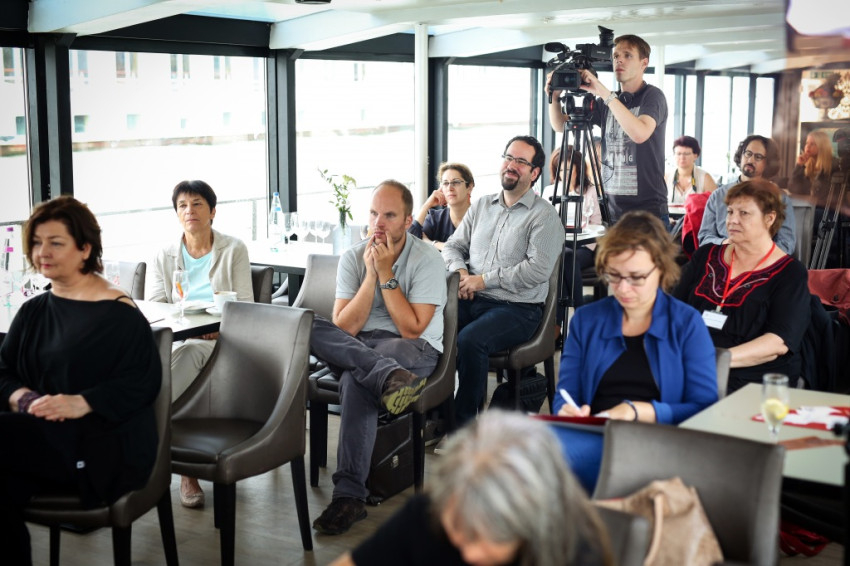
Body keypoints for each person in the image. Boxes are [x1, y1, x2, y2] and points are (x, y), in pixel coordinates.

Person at [0, 196, 161, 566]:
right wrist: (24, 398)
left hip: (100, 446)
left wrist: (82, 402)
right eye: (36, 242)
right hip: (37, 437)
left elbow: (142, 383)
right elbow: (3, 371)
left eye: (56, 243)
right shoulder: (33, 311)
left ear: (85, 248)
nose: (42, 252)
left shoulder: (119, 314)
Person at [310, 180, 446, 535]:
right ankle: (386, 377)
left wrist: (386, 273)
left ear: (407, 221)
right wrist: (370, 275)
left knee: (355, 376)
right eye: (373, 214)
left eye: (389, 215)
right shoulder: (354, 257)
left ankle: (348, 497)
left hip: (413, 349)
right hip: (365, 349)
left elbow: (412, 328)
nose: (378, 224)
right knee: (307, 324)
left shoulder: (428, 259)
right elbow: (344, 327)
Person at [553, 211, 717, 493]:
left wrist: (640, 411)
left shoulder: (686, 324)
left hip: (659, 441)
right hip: (595, 435)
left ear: (661, 270)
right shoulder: (586, 320)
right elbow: (565, 394)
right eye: (614, 276)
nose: (623, 288)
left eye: (637, 278)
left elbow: (705, 408)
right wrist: (566, 410)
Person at [331, 411, 613, 566]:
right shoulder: (429, 514)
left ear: (530, 523)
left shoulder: (578, 553)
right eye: (457, 525)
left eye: (483, 535)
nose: (468, 553)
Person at [442, 135, 565, 427]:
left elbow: (537, 270)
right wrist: (461, 273)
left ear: (534, 173)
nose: (511, 165)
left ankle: (463, 429)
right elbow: (452, 246)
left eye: (521, 161)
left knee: (470, 341)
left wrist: (483, 281)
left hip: (518, 309)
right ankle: (434, 412)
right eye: (508, 157)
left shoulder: (544, 216)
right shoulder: (482, 206)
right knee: (428, 325)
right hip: (471, 298)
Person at [148, 179, 253, 508]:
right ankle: (180, 462)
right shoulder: (164, 254)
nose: (189, 210)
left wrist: (218, 329)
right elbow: (155, 306)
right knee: (174, 355)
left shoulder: (233, 249)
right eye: (182, 205)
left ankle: (171, 460)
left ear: (212, 212)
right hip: (179, 339)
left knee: (188, 353)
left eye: (197, 204)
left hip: (223, 341)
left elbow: (246, 307)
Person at [675, 180, 810, 394]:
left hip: (749, 375)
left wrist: (712, 360)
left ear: (769, 218)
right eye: (730, 212)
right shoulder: (706, 255)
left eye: (744, 213)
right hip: (689, 361)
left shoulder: (790, 273)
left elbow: (777, 343)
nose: (732, 220)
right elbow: (671, 307)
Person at [548, 34, 668, 223]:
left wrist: (603, 92)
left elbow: (640, 133)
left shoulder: (653, 96)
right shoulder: (607, 102)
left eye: (627, 55)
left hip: (648, 214)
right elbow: (561, 126)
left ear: (644, 63)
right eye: (616, 56)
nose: (619, 60)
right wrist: (554, 98)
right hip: (612, 212)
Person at [698, 135, 796, 255]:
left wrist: (756, 253)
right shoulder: (718, 195)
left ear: (768, 163)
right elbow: (704, 238)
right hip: (723, 257)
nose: (750, 160)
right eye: (748, 154)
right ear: (741, 155)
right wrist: (725, 243)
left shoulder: (780, 199)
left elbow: (786, 244)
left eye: (758, 157)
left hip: (762, 261)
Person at [545, 146, 602, 316]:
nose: (565, 174)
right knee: (564, 257)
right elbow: (544, 224)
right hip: (558, 247)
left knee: (566, 258)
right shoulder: (550, 191)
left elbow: (596, 223)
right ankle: (579, 312)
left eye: (570, 169)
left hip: (584, 247)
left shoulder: (590, 191)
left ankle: (563, 318)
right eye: (561, 170)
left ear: (579, 168)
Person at [408, 162, 475, 250]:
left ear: (469, 187)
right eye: (445, 183)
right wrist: (426, 206)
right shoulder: (434, 219)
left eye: (456, 182)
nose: (450, 188)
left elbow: (467, 252)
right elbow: (410, 243)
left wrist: (432, 243)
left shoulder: (480, 218)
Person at [665, 135, 717, 203]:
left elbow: (715, 204)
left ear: (695, 155)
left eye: (686, 154)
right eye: (678, 154)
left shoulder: (705, 178)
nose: (682, 157)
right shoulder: (666, 177)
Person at [789, 129, 834, 203]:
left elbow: (822, 194)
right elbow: (793, 188)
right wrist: (799, 165)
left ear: (822, 147)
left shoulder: (832, 166)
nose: (808, 146)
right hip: (809, 205)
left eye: (812, 144)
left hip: (824, 207)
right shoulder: (806, 165)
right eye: (807, 143)